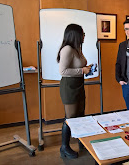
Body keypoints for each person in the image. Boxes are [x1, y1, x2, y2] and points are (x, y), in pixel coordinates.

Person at [57, 24, 92, 159]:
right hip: (69, 87)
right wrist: (82, 70)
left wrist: (86, 68)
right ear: (75, 35)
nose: (84, 36)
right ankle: (64, 147)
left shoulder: (77, 48)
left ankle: (82, 142)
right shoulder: (67, 49)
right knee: (70, 118)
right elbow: (63, 71)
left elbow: (79, 66)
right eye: (82, 33)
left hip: (79, 84)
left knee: (80, 115)